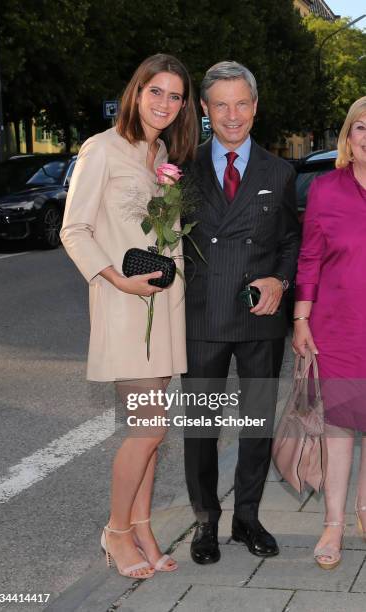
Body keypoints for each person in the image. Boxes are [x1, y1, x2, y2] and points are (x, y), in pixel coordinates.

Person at [60, 54, 198, 579]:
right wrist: (115, 279)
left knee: (153, 434)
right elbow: (73, 230)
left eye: (175, 95)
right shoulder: (101, 149)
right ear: (135, 92)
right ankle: (116, 531)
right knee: (149, 428)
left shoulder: (162, 154)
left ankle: (141, 526)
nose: (164, 103)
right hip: (124, 308)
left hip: (163, 311)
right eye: (155, 91)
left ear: (184, 106)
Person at [181, 61, 300, 564]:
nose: (233, 115)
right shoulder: (180, 166)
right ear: (205, 110)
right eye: (221, 105)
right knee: (202, 426)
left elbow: (291, 240)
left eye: (242, 103)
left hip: (260, 313)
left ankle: (247, 517)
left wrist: (280, 278)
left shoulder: (280, 170)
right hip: (203, 314)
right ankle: (205, 521)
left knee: (255, 422)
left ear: (255, 106)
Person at [293, 96, 366, 569]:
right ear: (348, 136)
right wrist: (300, 319)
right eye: (362, 127)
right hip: (338, 327)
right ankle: (334, 522)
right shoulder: (324, 189)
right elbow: (310, 259)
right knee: (339, 429)